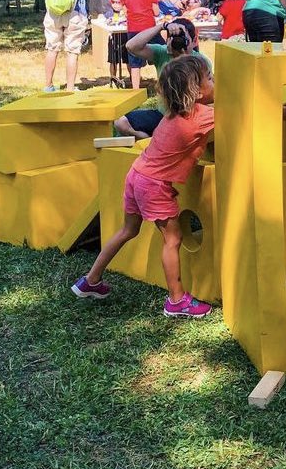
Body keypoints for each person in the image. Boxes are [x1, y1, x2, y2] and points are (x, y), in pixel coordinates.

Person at [71, 56, 215, 318]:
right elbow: (242, 115)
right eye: (210, 79)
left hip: (137, 174)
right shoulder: (201, 115)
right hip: (155, 185)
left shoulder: (172, 113)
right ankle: (177, 300)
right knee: (173, 239)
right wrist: (277, 111)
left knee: (128, 229)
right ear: (195, 90)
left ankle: (90, 281)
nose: (214, 83)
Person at [119, 0, 161, 90]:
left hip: (133, 28)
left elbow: (123, 10)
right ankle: (162, 84)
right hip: (149, 28)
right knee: (160, 54)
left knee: (134, 62)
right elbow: (156, 11)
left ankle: (135, 89)